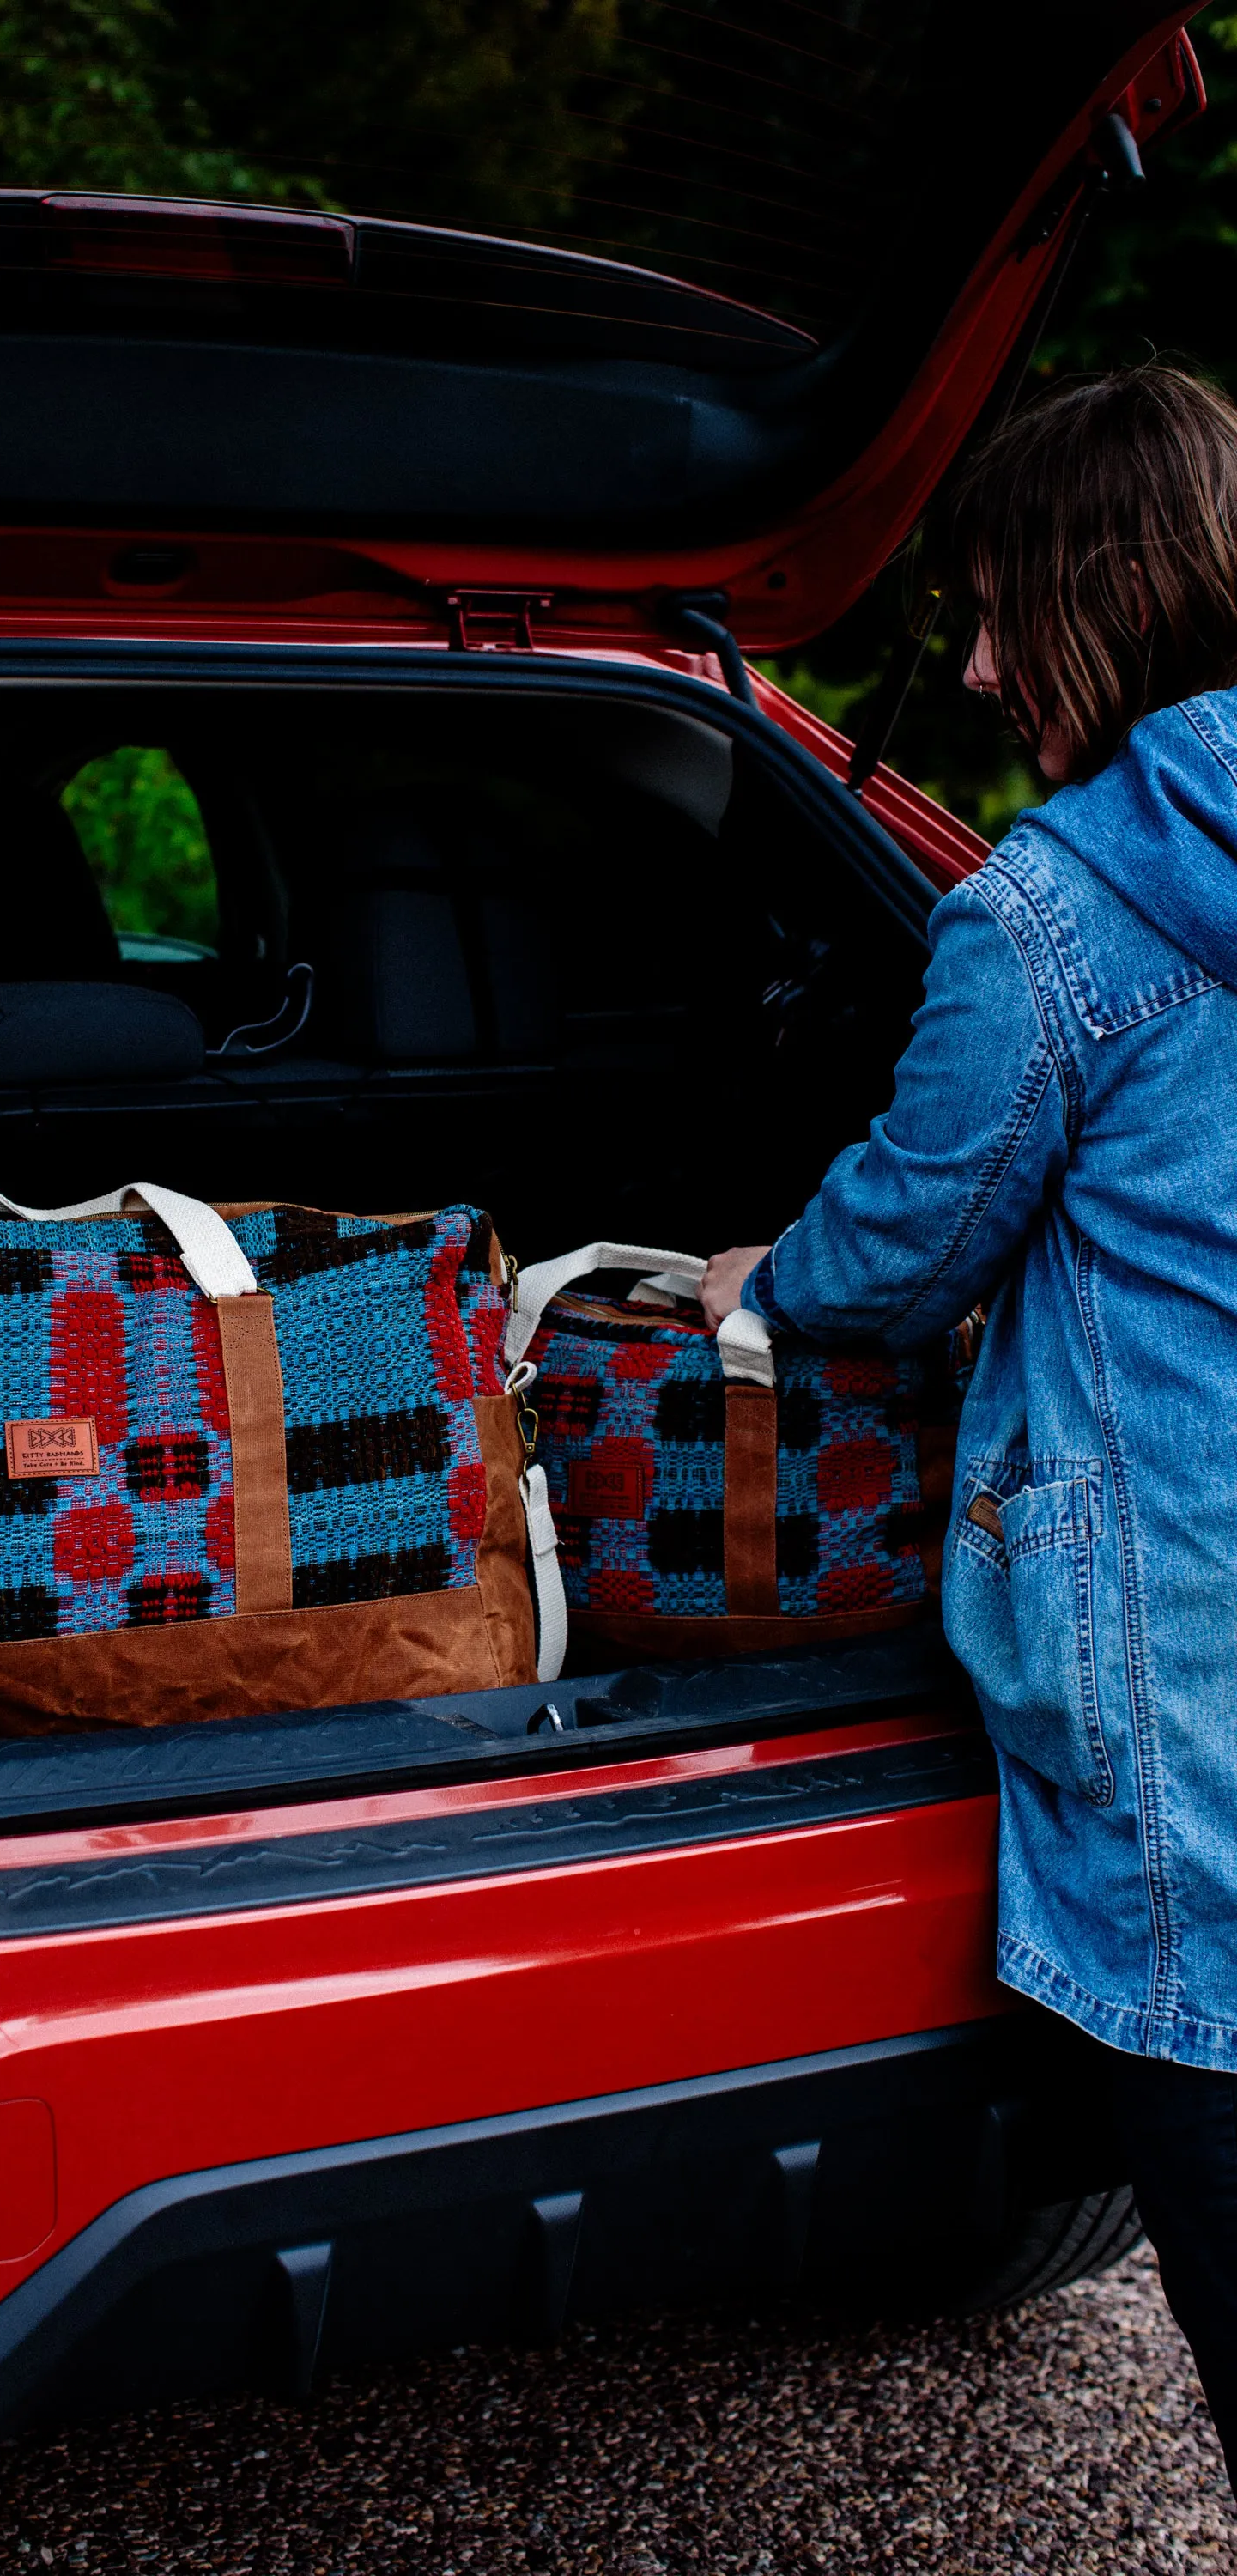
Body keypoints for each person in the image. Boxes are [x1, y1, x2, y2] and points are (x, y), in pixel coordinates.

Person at [700, 362, 1237, 2486]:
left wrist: (764, 1273)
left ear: (1111, 586)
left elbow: (904, 1251)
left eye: (1005, 604)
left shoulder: (1047, 913)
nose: (992, 664)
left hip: (1177, 1637)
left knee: (1208, 2050)